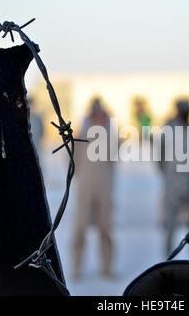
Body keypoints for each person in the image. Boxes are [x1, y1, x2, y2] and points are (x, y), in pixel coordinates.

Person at [72, 97, 116, 280]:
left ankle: (106, 267)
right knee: (80, 228)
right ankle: (77, 267)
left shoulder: (110, 136)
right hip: (85, 188)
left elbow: (113, 161)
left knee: (105, 228)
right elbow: (71, 161)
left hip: (104, 188)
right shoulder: (82, 134)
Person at [158, 99, 189, 258]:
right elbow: (160, 159)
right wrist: (170, 177)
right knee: (170, 225)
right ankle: (167, 258)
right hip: (173, 185)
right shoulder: (168, 130)